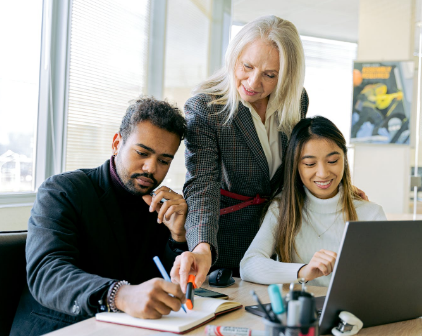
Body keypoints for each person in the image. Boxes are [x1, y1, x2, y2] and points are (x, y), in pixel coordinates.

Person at [10, 97, 188, 335]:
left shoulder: (158, 207)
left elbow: (158, 285)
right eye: (142, 152)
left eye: (164, 160)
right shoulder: (62, 191)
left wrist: (177, 236)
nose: (151, 168)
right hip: (60, 328)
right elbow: (47, 272)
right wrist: (120, 295)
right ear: (117, 143)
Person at [171, 15, 309, 291]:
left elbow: (297, 164)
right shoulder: (206, 107)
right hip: (226, 247)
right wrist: (202, 246)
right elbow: (202, 185)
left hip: (279, 245)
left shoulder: (296, 100)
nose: (253, 82)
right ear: (234, 57)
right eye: (247, 66)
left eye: (270, 75)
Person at [240, 116, 386, 287]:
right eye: (310, 164)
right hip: (299, 311)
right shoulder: (281, 209)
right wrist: (303, 271)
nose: (323, 173)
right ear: (296, 166)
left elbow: (388, 277)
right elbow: (248, 266)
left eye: (332, 161)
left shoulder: (371, 213)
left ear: (344, 160)